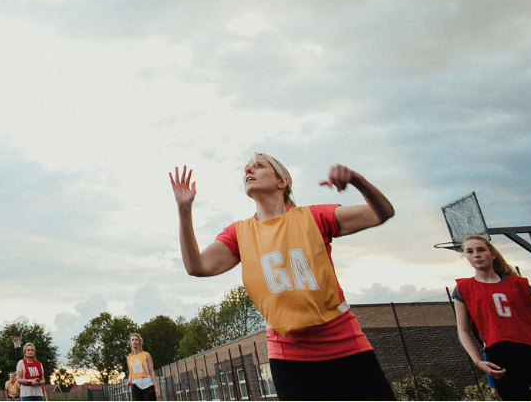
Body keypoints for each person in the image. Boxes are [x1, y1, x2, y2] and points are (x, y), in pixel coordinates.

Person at [170, 154, 395, 401]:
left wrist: (357, 180)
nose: (249, 171)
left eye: (259, 166)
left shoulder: (314, 218)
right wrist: (184, 210)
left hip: (345, 347)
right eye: (246, 169)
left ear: (282, 181)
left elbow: (381, 213)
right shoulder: (239, 233)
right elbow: (196, 266)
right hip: (289, 359)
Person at [453, 233, 531, 401]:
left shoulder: (518, 284)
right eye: (470, 251)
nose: (476, 255)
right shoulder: (463, 289)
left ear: (493, 254)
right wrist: (478, 362)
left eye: (481, 250)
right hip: (499, 356)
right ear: (466, 257)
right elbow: (463, 330)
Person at [126, 333, 159, 400]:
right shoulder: (129, 358)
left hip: (147, 385)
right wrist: (129, 380)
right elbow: (131, 372)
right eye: (132, 340)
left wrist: (156, 388)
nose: (134, 341)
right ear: (130, 342)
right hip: (136, 386)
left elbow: (151, 372)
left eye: (136, 340)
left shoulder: (146, 355)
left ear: (139, 342)